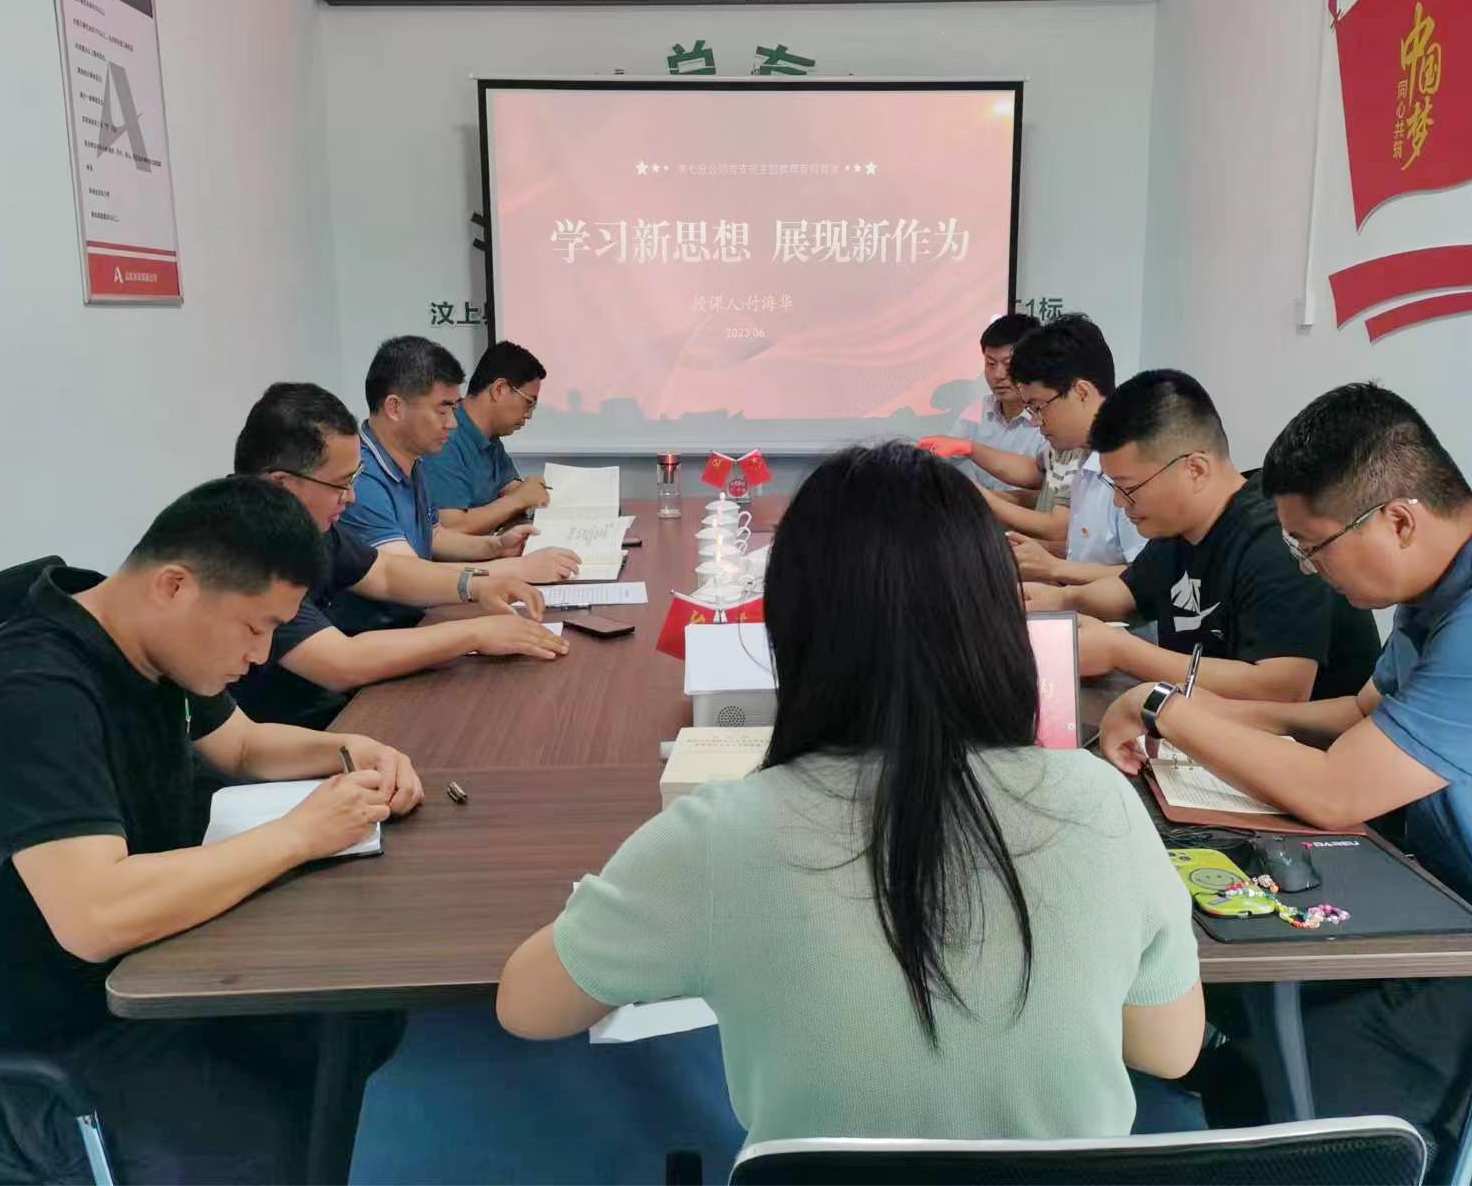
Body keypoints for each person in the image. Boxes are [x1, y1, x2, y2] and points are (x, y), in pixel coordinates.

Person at [495, 442, 1204, 1145]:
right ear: (998, 619)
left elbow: (526, 1005)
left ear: (792, 627)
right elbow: (1168, 1050)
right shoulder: (1101, 802)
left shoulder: (723, 833)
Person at [0, 478, 422, 1183]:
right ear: (174, 586)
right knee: (253, 1150)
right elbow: (95, 916)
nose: (263, 655)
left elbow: (244, 747)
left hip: (124, 987)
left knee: (353, 1020)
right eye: (255, 627)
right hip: (13, 1064)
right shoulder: (31, 694)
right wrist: (300, 834)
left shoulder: (141, 640)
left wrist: (350, 749)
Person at [1096, 383, 1472, 1147]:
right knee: (1242, 1008)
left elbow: (1336, 791)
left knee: (1281, 1070)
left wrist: (1164, 708)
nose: (1308, 569)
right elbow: (1358, 715)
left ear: (1398, 520)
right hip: (1459, 910)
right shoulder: (1449, 588)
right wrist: (1195, 715)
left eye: (1312, 546)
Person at [1025, 370, 1380, 702]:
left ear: (1195, 470)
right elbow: (1125, 594)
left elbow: (1280, 687)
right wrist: (1059, 600)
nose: (1119, 502)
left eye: (1128, 488)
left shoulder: (1279, 537)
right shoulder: (1176, 527)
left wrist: (1122, 652)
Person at [229, 382, 569, 729]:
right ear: (282, 485)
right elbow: (342, 663)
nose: (351, 498)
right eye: (341, 484)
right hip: (291, 733)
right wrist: (477, 633)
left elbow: (385, 573)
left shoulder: (302, 524)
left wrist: (475, 585)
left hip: (335, 711)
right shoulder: (245, 548)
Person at [337, 336, 578, 630]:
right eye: (442, 410)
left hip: (419, 619)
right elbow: (403, 573)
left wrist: (495, 546)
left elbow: (434, 536)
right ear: (395, 408)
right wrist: (519, 569)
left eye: (454, 409)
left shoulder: (412, 460)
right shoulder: (359, 478)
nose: (452, 423)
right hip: (379, 634)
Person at [1002, 317, 1145, 586]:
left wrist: (1054, 569)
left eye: (1038, 407)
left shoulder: (1135, 465)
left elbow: (1149, 576)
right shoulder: (1084, 459)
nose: (1036, 422)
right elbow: (1089, 555)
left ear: (1081, 392)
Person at [918, 313, 1075, 544]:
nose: (998, 375)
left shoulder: (1063, 429)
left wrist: (983, 498)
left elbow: (1048, 505)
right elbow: (1037, 472)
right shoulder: (977, 411)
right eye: (990, 364)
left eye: (1008, 365)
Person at [425, 341, 552, 536]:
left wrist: (529, 491)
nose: (529, 415)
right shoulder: (445, 438)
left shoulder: (490, 438)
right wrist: (519, 499)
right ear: (500, 389)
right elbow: (451, 528)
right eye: (529, 403)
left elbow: (510, 488)